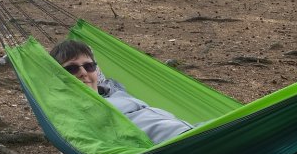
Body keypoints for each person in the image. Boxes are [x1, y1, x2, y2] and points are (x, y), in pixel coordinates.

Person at [50, 39, 194, 144]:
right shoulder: (75, 111)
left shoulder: (112, 91)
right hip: (175, 143)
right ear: (58, 76)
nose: (83, 72)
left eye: (89, 66)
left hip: (192, 131)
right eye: (71, 69)